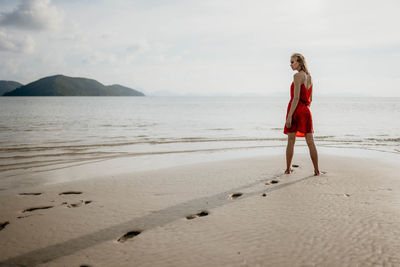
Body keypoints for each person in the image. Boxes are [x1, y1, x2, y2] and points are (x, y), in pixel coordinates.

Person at [284, 53, 321, 176]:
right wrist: (305, 110)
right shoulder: (309, 77)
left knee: (291, 140)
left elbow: (295, 98)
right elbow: (310, 98)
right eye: (290, 62)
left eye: (293, 62)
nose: (291, 64)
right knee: (310, 142)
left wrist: (290, 116)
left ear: (299, 62)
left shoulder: (297, 76)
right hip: (306, 110)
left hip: (296, 110)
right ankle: (316, 170)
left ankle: (288, 169)